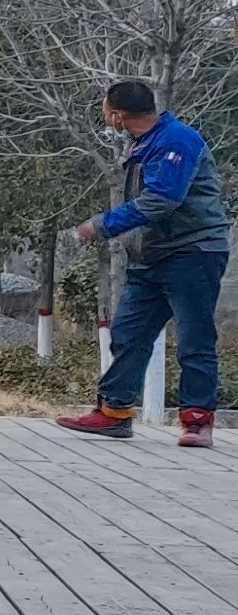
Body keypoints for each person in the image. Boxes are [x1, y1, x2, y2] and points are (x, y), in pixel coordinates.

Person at [54, 79, 224, 448]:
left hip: (193, 252)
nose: (106, 120)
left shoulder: (177, 141)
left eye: (105, 113)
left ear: (117, 115)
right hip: (150, 256)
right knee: (128, 334)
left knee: (194, 338)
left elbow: (162, 200)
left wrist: (100, 226)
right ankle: (113, 413)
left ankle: (197, 421)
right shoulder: (141, 142)